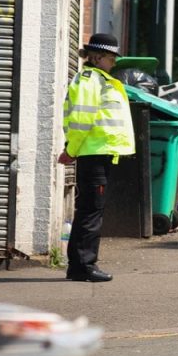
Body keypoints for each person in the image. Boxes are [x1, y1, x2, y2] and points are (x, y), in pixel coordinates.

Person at [58, 33, 135, 282]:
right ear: (98, 57)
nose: (114, 62)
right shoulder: (91, 80)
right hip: (93, 154)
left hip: (99, 153)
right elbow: (82, 120)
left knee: (89, 210)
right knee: (91, 212)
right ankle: (84, 266)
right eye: (111, 57)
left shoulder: (99, 80)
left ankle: (78, 266)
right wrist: (71, 151)